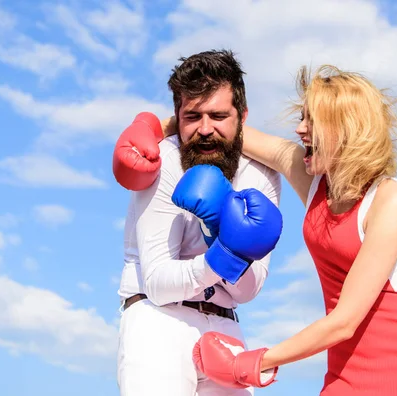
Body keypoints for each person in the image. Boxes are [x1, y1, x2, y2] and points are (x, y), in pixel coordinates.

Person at [125, 64, 397, 395]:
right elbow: (220, 129)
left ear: (349, 128)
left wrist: (253, 363)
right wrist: (151, 127)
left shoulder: (391, 200)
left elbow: (345, 320)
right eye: (302, 117)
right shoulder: (313, 180)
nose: (300, 129)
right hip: (346, 370)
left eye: (314, 121)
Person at [113, 49, 282, 396]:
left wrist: (222, 238)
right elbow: (159, 283)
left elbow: (248, 290)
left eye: (219, 115)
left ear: (242, 116)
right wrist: (225, 257)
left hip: (226, 328)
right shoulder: (164, 161)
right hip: (158, 322)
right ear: (177, 116)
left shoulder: (261, 173)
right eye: (193, 116)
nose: (206, 129)